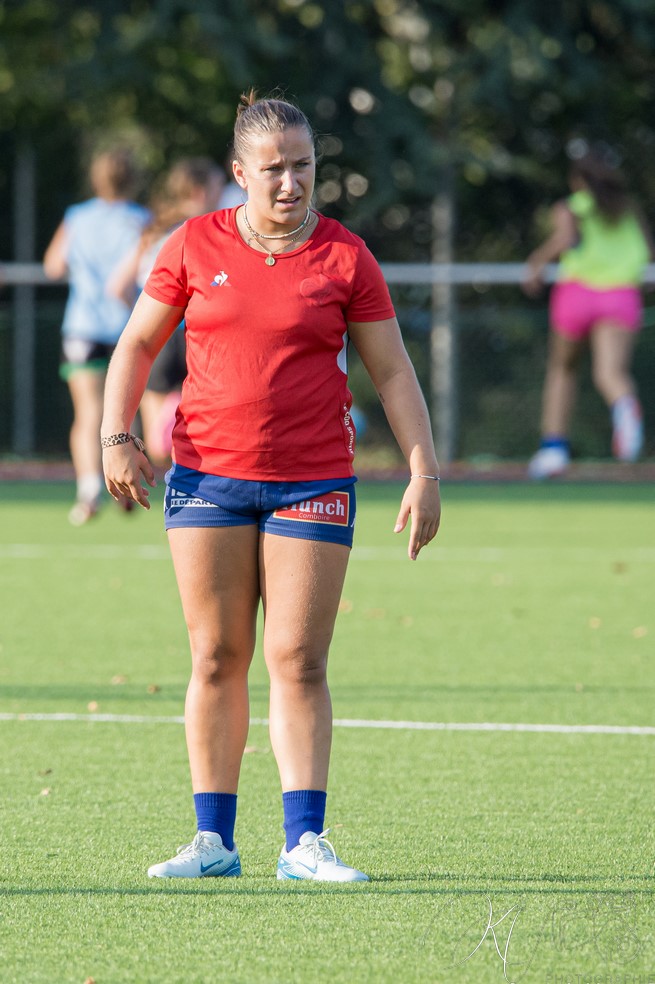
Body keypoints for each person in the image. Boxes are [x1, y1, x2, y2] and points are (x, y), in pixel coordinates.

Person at [101, 91, 441, 883]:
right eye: (272, 170)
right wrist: (116, 436)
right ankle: (212, 843)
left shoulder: (346, 257)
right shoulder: (192, 243)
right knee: (216, 655)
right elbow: (134, 347)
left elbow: (391, 372)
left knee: (297, 658)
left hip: (313, 480)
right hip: (207, 480)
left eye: (302, 167)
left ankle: (304, 843)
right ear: (237, 173)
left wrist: (423, 471)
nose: (289, 183)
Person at [523, 147, 654, 479]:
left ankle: (554, 450)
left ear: (578, 180)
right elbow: (646, 256)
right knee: (610, 373)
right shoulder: (627, 210)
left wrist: (537, 262)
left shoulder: (571, 207)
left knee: (563, 370)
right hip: (621, 296)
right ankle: (624, 409)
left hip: (577, 294)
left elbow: (565, 239)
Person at [44, 148, 150, 524]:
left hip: (82, 327)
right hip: (128, 327)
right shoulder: (141, 220)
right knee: (127, 408)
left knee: (87, 413)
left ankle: (89, 488)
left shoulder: (78, 217)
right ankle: (126, 484)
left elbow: (53, 265)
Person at [109, 157, 225, 466]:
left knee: (158, 445)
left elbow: (118, 286)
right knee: (207, 432)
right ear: (200, 192)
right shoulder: (206, 234)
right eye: (218, 186)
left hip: (158, 337)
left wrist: (143, 320)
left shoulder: (154, 229)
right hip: (195, 336)